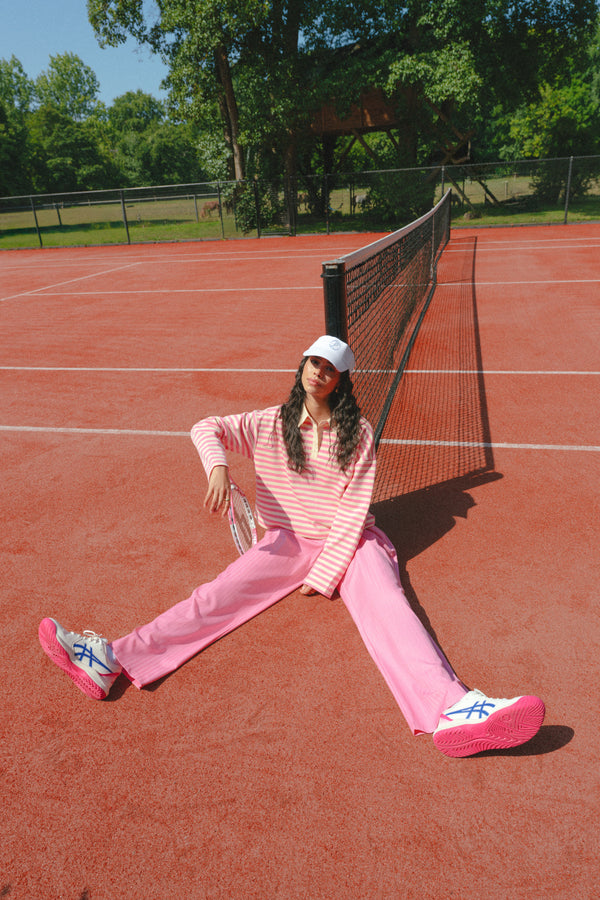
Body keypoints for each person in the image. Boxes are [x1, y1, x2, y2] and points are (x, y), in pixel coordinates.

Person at [38, 335, 545, 758]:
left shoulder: (358, 433)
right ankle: (110, 660)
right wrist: (218, 467)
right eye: (313, 363)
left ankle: (453, 709)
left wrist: (326, 572)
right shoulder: (267, 423)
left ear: (341, 380)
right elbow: (205, 426)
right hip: (285, 541)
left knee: (391, 608)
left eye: (330, 368)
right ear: (302, 366)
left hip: (352, 542)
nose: (319, 373)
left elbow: (354, 507)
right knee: (212, 598)